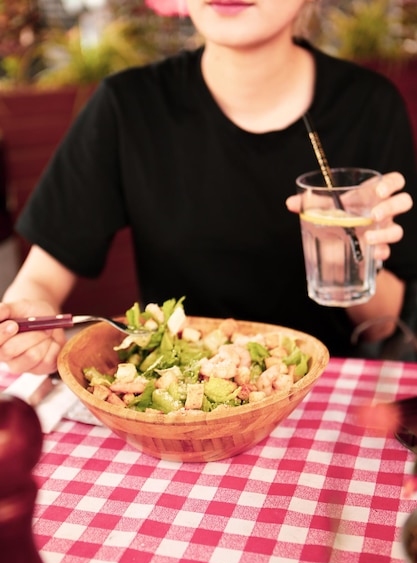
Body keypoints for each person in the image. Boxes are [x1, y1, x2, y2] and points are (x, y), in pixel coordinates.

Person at [0, 0, 416, 376]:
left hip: (321, 403)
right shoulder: (128, 105)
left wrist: (346, 256)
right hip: (174, 407)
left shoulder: (369, 106)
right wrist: (28, 321)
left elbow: (382, 323)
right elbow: (39, 282)